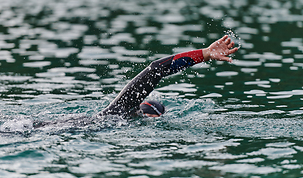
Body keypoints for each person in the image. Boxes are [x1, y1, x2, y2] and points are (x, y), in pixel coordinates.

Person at [95, 35, 239, 119]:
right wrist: (205, 53)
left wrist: (205, 54)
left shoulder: (112, 112)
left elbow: (156, 69)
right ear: (150, 117)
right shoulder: (121, 112)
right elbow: (156, 69)